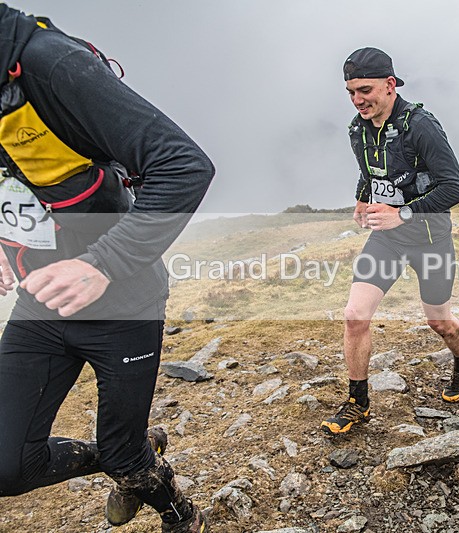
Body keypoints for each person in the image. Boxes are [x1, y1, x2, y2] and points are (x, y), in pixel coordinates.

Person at [0, 5, 213, 532]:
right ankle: (132, 453)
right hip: (42, 303)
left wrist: (101, 264)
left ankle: (179, 513)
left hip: (124, 306)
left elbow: (186, 165)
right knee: (6, 465)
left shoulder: (50, 63)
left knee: (126, 458)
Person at [321, 47, 459, 435]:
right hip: (387, 241)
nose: (358, 100)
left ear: (390, 85)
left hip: (429, 239)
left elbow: (455, 187)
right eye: (351, 92)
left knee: (440, 322)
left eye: (365, 90)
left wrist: (401, 213)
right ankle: (358, 402)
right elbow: (369, 170)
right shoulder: (359, 128)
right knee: (355, 316)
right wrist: (362, 197)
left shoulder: (420, 125)